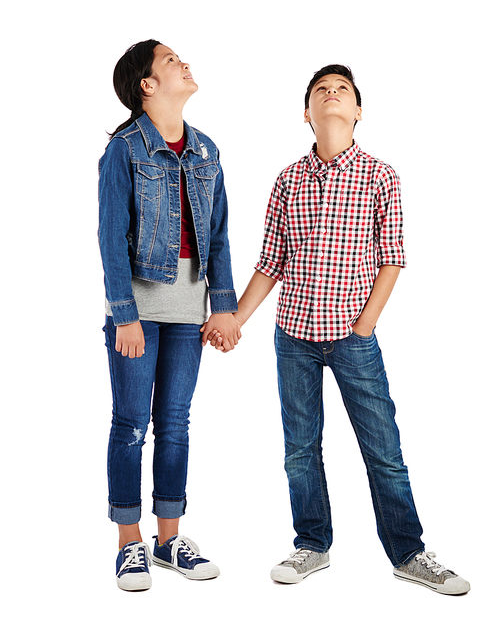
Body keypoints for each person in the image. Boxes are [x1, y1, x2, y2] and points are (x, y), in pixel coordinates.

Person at [204, 64, 470, 595]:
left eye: (341, 90)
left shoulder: (379, 175)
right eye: (321, 91)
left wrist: (366, 324)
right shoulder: (289, 179)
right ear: (307, 114)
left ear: (358, 111)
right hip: (294, 335)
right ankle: (312, 544)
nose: (331, 95)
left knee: (383, 448)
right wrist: (236, 318)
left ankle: (409, 552)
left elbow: (392, 257)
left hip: (354, 336)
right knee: (300, 447)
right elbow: (270, 262)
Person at [98, 39, 241, 591]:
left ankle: (167, 540)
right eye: (170, 60)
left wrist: (223, 308)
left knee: (175, 424)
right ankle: (128, 543)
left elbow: (221, 235)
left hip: (189, 311)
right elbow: (112, 238)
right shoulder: (124, 150)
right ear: (147, 86)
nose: (184, 62)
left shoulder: (206, 151)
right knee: (132, 425)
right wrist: (124, 315)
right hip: (136, 312)